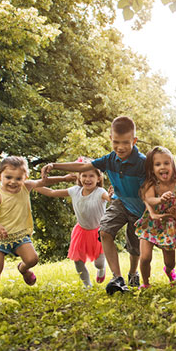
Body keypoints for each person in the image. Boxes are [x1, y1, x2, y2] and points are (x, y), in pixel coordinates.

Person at [42, 116, 146, 294]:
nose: (120, 147)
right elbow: (82, 167)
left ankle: (133, 273)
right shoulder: (109, 159)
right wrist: (54, 165)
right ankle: (117, 277)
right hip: (120, 202)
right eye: (116, 142)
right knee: (104, 231)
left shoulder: (142, 162)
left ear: (134, 141)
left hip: (138, 207)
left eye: (126, 143)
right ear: (110, 139)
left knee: (134, 246)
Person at [0, 156, 74, 297]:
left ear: (25, 177)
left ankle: (23, 269)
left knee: (32, 259)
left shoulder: (26, 186)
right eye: (8, 177)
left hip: (19, 235)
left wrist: (64, 178)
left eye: (18, 178)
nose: (13, 182)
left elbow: (43, 181)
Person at [35, 157, 110, 288]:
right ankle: (87, 285)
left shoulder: (100, 192)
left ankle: (101, 269)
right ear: (79, 177)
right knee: (78, 261)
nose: (87, 179)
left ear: (98, 178)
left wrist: (112, 195)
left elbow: (109, 198)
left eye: (91, 176)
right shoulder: (75, 191)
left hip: (99, 232)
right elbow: (52, 192)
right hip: (81, 231)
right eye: (84, 175)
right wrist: (33, 185)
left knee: (98, 263)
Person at [134, 146, 176, 288]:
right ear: (152, 168)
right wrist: (160, 199)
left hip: (168, 224)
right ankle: (146, 283)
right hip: (150, 223)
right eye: (157, 164)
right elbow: (149, 199)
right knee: (145, 257)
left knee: (170, 262)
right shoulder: (152, 184)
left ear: (172, 165)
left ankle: (169, 271)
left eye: (166, 163)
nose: (163, 167)